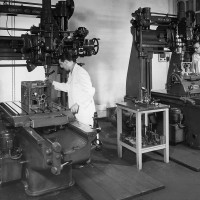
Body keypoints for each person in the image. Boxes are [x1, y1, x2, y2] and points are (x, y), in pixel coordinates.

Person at [50, 51, 96, 126]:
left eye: (61, 64)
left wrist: (78, 104)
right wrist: (53, 83)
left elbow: (90, 91)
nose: (61, 67)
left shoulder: (80, 72)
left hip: (84, 111)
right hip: (77, 111)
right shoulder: (72, 73)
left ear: (66, 62)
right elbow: (68, 87)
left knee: (88, 132)